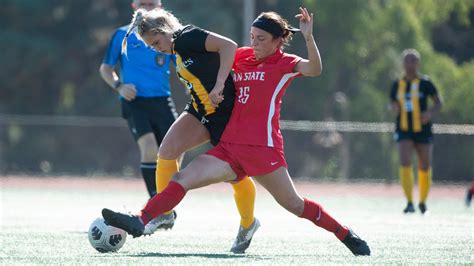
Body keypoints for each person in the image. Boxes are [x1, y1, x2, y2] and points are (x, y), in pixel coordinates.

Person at [102, 7, 371, 256]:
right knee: (181, 178)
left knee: (295, 205)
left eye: (261, 38)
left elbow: (314, 69)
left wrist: (309, 38)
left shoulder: (284, 62)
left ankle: (345, 234)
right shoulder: (242, 57)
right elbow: (216, 58)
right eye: (252, 36)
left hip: (263, 150)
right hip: (228, 148)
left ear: (278, 41)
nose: (253, 43)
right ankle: (141, 219)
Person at [118, 8, 259, 253]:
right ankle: (164, 213)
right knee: (167, 150)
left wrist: (218, 84)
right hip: (199, 111)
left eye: (156, 42)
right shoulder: (176, 48)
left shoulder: (188, 36)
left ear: (164, 30)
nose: (156, 48)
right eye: (151, 46)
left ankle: (248, 224)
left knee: (236, 176)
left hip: (225, 116)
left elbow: (229, 46)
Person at [99, 0, 178, 203]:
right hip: (135, 102)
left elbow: (181, 67)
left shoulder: (168, 37)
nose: (147, 8)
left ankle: (167, 197)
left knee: (177, 149)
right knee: (150, 149)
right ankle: (156, 201)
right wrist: (119, 86)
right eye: (143, 3)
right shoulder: (122, 35)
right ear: (134, 6)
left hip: (162, 100)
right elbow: (106, 68)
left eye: (152, 4)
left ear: (160, 7)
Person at [389, 49, 442, 214]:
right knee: (405, 162)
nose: (410, 64)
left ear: (418, 63)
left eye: (413, 61)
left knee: (424, 165)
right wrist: (393, 107)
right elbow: (391, 103)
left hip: (423, 130)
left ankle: (423, 202)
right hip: (404, 129)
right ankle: (410, 202)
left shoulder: (426, 83)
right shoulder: (397, 84)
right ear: (403, 64)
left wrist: (429, 113)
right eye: (407, 61)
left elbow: (438, 103)